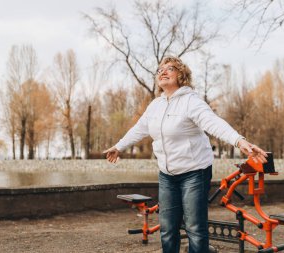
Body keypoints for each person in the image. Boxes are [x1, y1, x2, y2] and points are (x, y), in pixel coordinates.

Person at [103, 56, 267, 253]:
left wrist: (239, 140)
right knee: (167, 228)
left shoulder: (191, 101)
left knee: (195, 228)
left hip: (194, 172)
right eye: (159, 70)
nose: (162, 72)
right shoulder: (155, 105)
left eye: (169, 68)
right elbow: (139, 129)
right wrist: (119, 147)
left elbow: (213, 122)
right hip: (167, 175)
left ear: (181, 75)